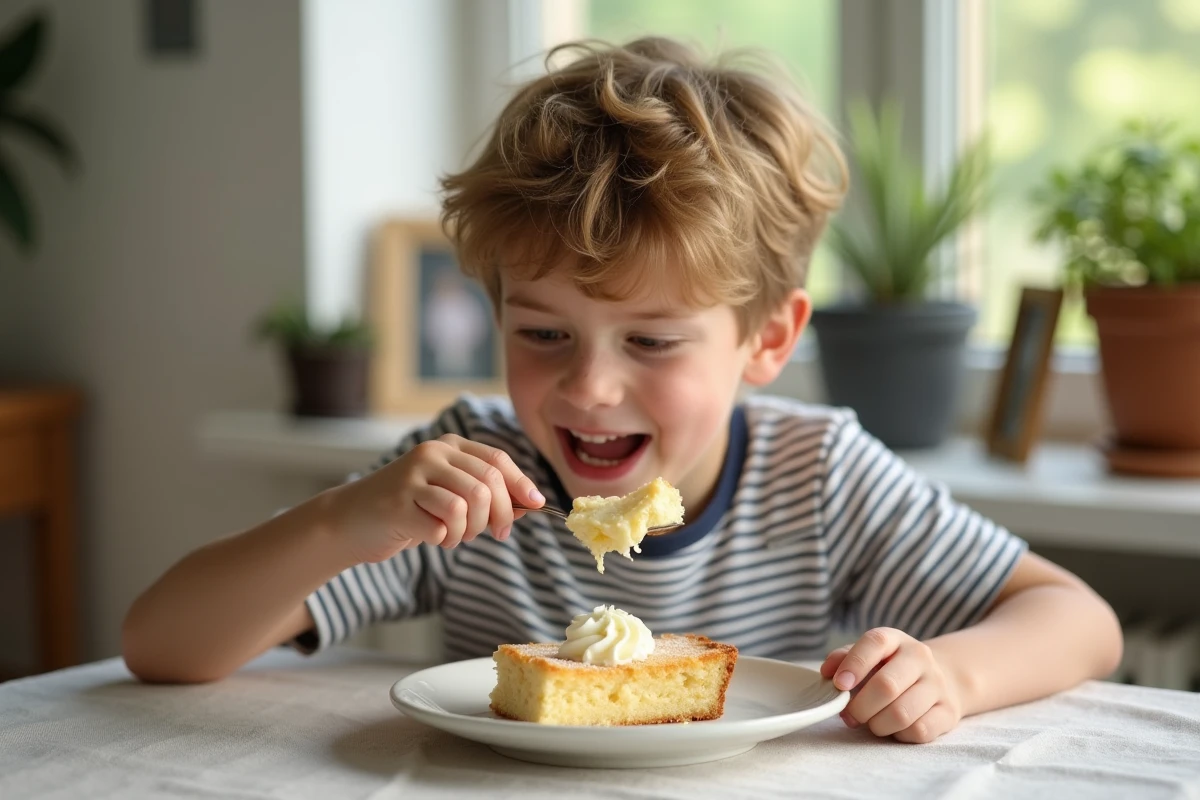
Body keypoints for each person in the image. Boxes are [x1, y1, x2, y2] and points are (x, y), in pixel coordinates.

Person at [123, 37, 1121, 744]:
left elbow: (1080, 618)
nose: (589, 386)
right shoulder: (473, 471)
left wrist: (950, 671)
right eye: (542, 332)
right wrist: (346, 520)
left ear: (767, 338)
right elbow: (160, 643)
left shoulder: (816, 475)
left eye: (651, 338)